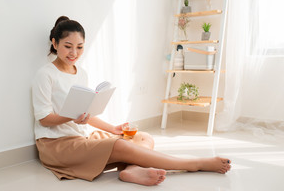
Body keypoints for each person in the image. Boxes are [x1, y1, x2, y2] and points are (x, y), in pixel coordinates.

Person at [32, 16, 231, 186]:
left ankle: (132, 170)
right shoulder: (46, 74)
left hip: (80, 139)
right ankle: (195, 164)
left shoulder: (80, 73)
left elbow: (85, 115)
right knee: (120, 146)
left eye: (80, 47)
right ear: (55, 43)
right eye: (68, 46)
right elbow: (44, 119)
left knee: (144, 138)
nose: (74, 53)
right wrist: (71, 117)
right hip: (55, 146)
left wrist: (113, 129)